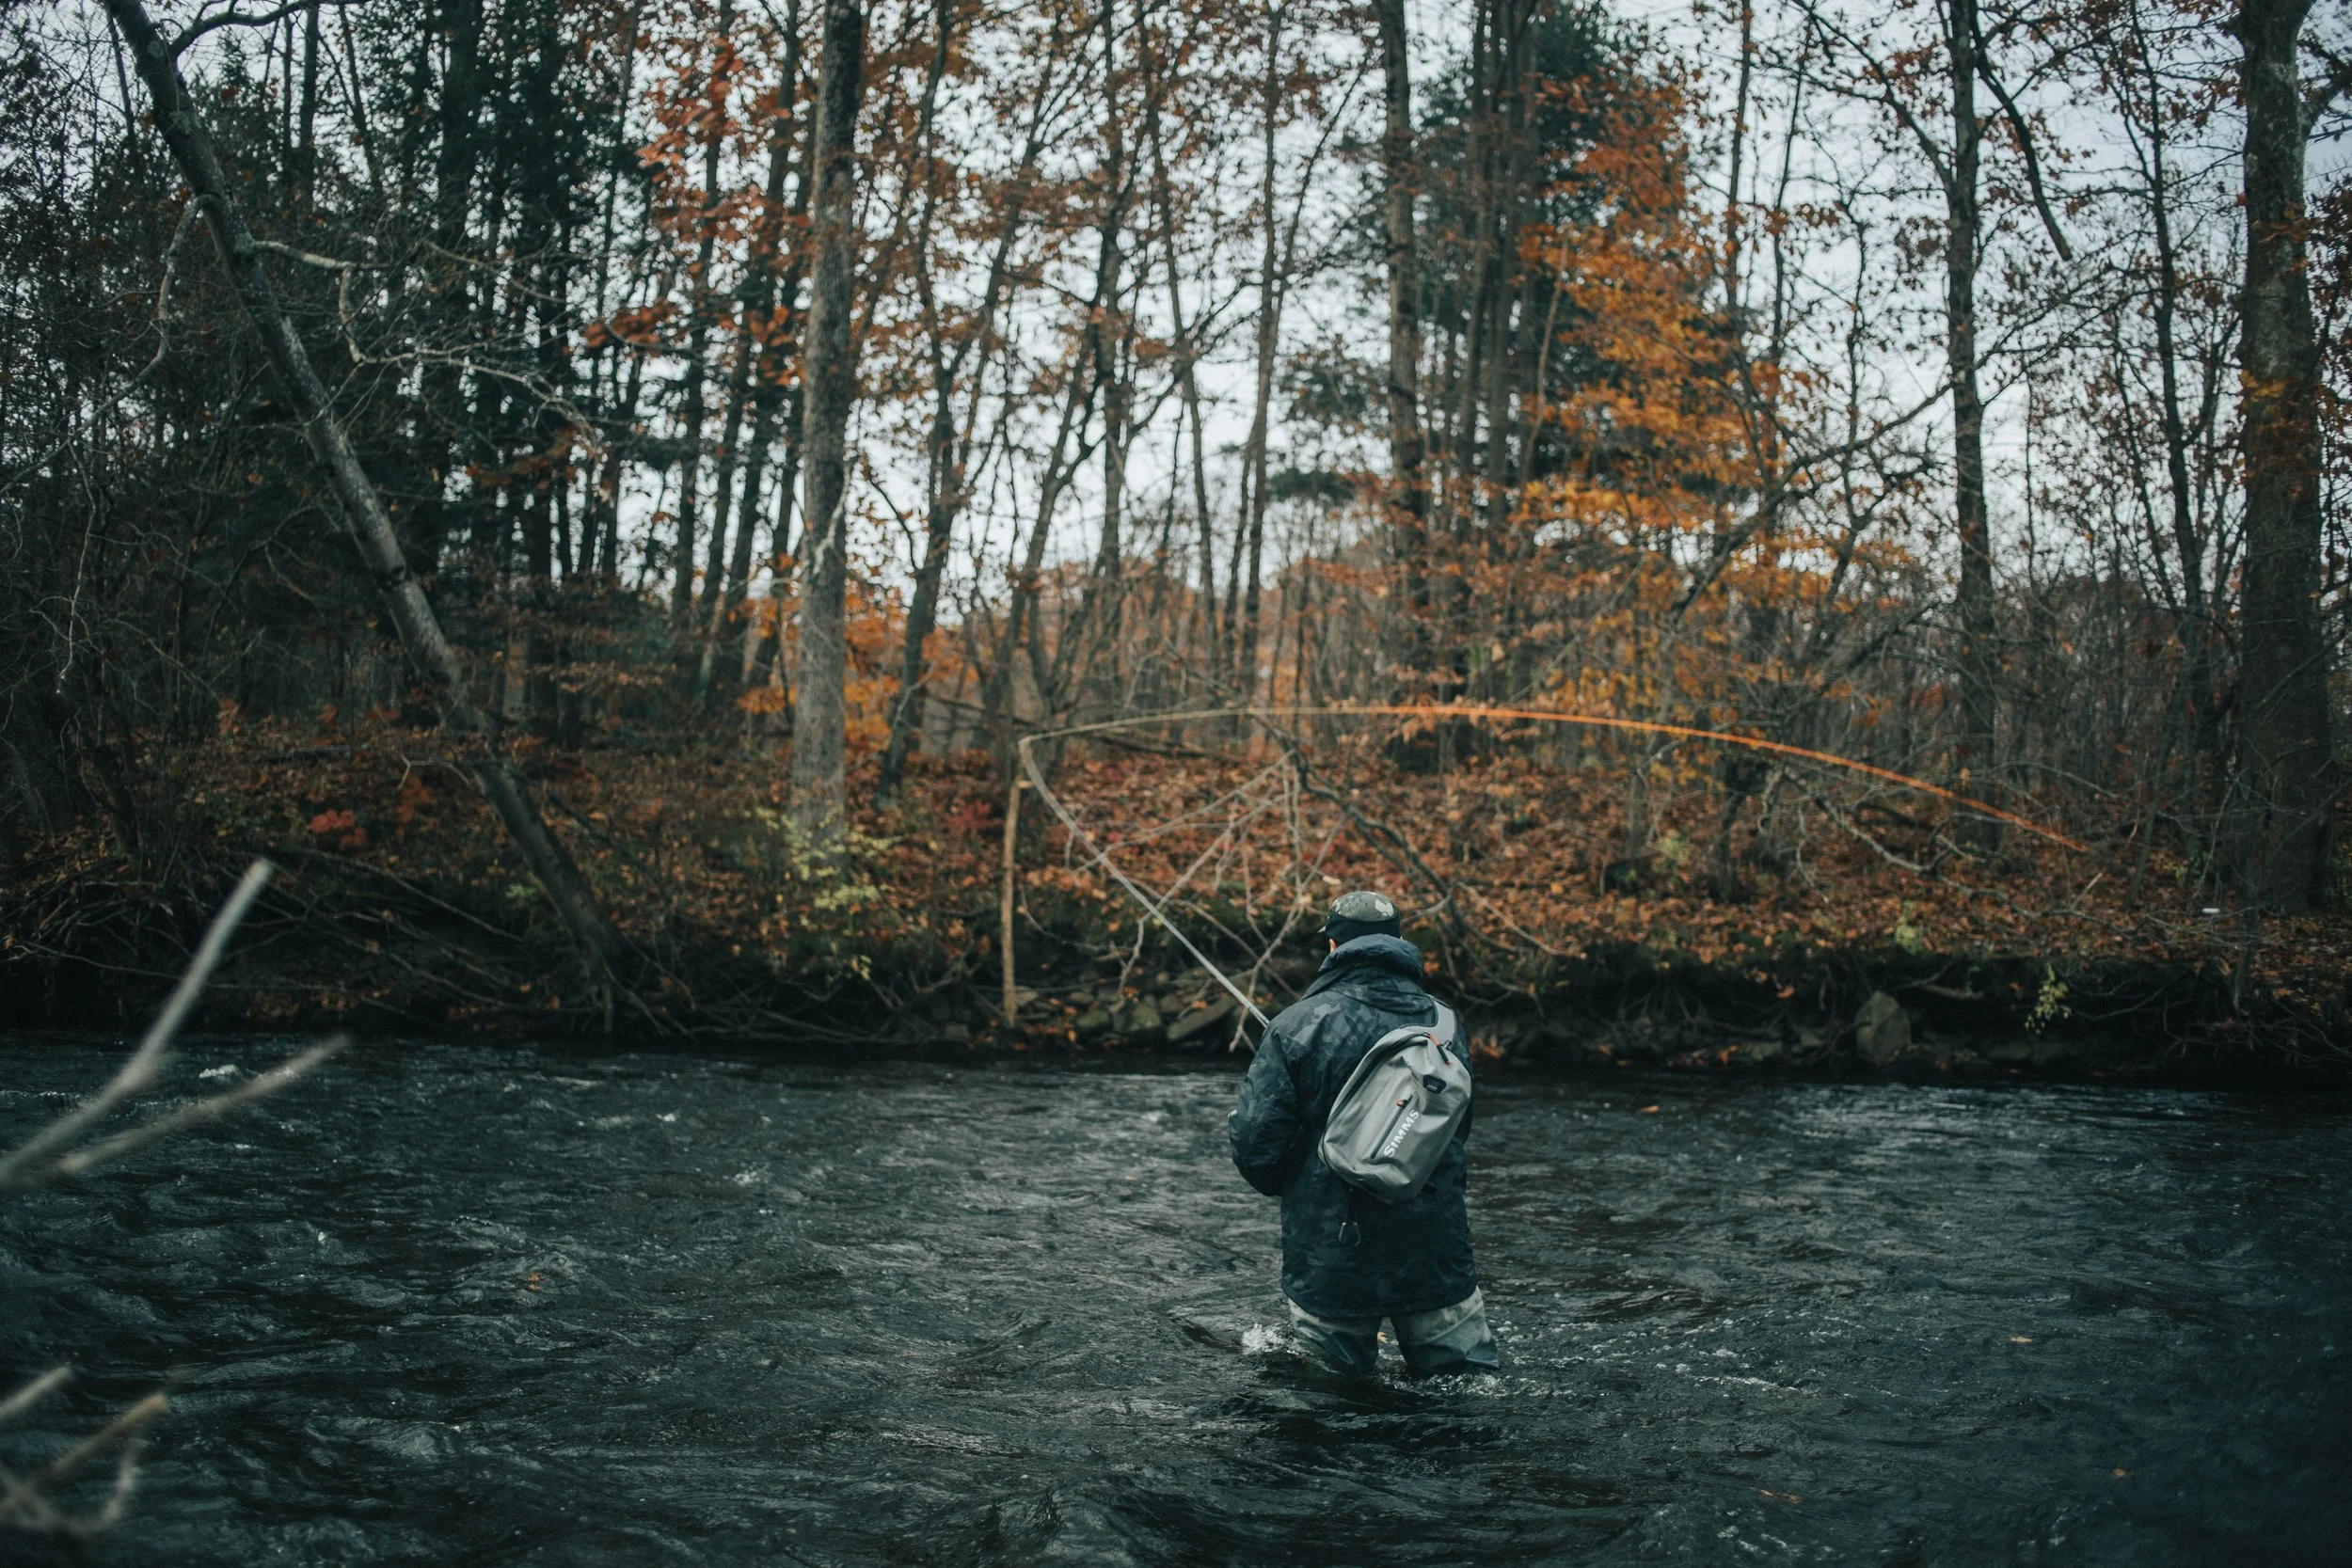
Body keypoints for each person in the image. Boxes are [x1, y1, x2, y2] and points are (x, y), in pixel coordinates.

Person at [1227, 890, 1499, 1376]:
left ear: (1332, 946)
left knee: (1330, 1411)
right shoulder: (1447, 1025)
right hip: (1435, 1245)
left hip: (1332, 1245)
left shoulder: (1296, 1024)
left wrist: (1297, 1189)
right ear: (1399, 943)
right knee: (1465, 1402)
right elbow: (1458, 1130)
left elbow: (1256, 1145)